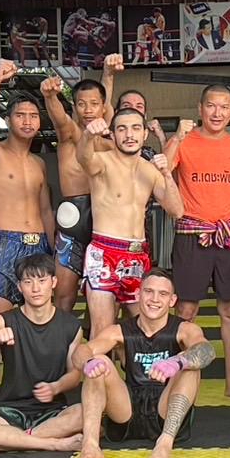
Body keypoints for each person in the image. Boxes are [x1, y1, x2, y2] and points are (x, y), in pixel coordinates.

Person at [74, 268, 216, 458]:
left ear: (172, 300)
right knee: (98, 361)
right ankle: (91, 445)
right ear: (139, 294)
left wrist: (177, 362)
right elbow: (82, 350)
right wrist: (87, 362)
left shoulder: (184, 329)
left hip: (166, 411)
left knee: (191, 365)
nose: (155, 299)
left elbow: (207, 350)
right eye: (149, 291)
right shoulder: (119, 331)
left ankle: (164, 445)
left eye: (163, 294)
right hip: (127, 409)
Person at [165, 84, 230, 400]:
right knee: (186, 308)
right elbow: (163, 170)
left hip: (229, 234)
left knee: (229, 309)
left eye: (224, 107)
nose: (217, 113)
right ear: (200, 108)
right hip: (191, 233)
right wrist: (177, 135)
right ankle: (175, 379)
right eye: (212, 106)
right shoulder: (185, 141)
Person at [0, 60, 55, 373]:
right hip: (5, 244)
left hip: (38, 248)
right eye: (20, 115)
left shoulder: (38, 164)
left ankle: (28, 397)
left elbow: (46, 210)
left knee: (33, 331)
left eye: (33, 116)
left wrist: (52, 253)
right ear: (7, 121)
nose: (27, 121)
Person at [0, 254, 86, 453]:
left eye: (42, 281)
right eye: (28, 282)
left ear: (53, 282)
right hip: (9, 412)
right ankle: (51, 443)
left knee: (84, 413)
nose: (35, 289)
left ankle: (6, 443)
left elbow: (74, 375)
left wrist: (56, 387)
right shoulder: (6, 319)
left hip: (52, 412)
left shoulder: (71, 326)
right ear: (19, 287)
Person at [77, 108, 182, 336]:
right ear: (112, 135)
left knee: (145, 329)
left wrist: (166, 174)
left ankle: (134, 372)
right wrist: (87, 136)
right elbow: (84, 158)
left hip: (137, 254)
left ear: (145, 134)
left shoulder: (151, 171)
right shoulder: (102, 162)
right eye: (122, 129)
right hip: (104, 252)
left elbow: (177, 210)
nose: (129, 135)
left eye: (136, 128)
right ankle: (100, 372)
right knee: (102, 329)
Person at [42, 75, 110, 311]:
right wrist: (50, 96)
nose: (88, 110)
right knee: (64, 295)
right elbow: (60, 119)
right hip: (72, 221)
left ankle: (99, 344)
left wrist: (109, 74)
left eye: (94, 104)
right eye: (81, 104)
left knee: (102, 295)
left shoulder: (111, 141)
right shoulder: (69, 134)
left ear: (103, 106)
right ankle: (61, 346)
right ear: (74, 106)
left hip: (103, 220)